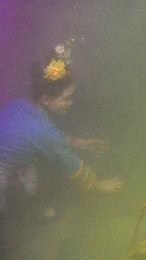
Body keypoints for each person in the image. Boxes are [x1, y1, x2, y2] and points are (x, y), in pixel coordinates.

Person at [0, 42, 123, 254]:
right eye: (66, 99)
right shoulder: (42, 130)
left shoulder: (25, 104)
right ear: (46, 99)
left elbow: (48, 138)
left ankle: (32, 212)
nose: (70, 103)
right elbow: (74, 168)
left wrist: (81, 143)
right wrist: (99, 185)